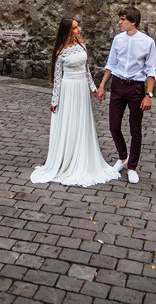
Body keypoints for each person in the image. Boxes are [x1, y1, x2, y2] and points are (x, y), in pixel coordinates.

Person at [30, 18, 121, 187]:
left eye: (78, 26)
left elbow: (86, 70)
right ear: (67, 31)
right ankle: (69, 158)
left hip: (81, 89)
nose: (79, 29)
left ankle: (84, 156)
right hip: (69, 89)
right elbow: (57, 78)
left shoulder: (82, 44)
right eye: (74, 28)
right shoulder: (61, 51)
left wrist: (94, 88)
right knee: (70, 123)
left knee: (82, 123)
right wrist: (54, 100)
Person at [96, 7, 156, 184]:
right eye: (120, 19)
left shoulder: (147, 42)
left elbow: (151, 69)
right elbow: (111, 63)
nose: (120, 22)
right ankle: (123, 158)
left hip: (136, 88)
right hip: (117, 85)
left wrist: (149, 95)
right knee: (113, 126)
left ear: (133, 22)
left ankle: (132, 167)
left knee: (135, 129)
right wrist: (102, 86)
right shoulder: (118, 39)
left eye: (123, 19)